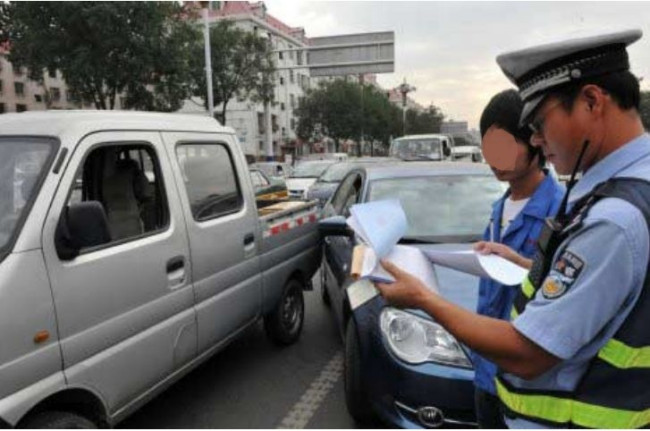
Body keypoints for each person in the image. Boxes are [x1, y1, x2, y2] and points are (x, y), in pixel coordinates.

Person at [375, 29, 650, 428]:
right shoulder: (626, 189)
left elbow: (529, 351)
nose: (538, 138)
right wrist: (525, 263)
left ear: (591, 101)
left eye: (540, 122)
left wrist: (424, 299)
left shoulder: (613, 218)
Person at [471, 89, 564, 428]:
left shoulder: (562, 210)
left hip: (531, 384)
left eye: (504, 147)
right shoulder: (498, 209)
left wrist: (523, 265)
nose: (495, 159)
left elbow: (568, 288)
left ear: (535, 143)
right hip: (486, 372)